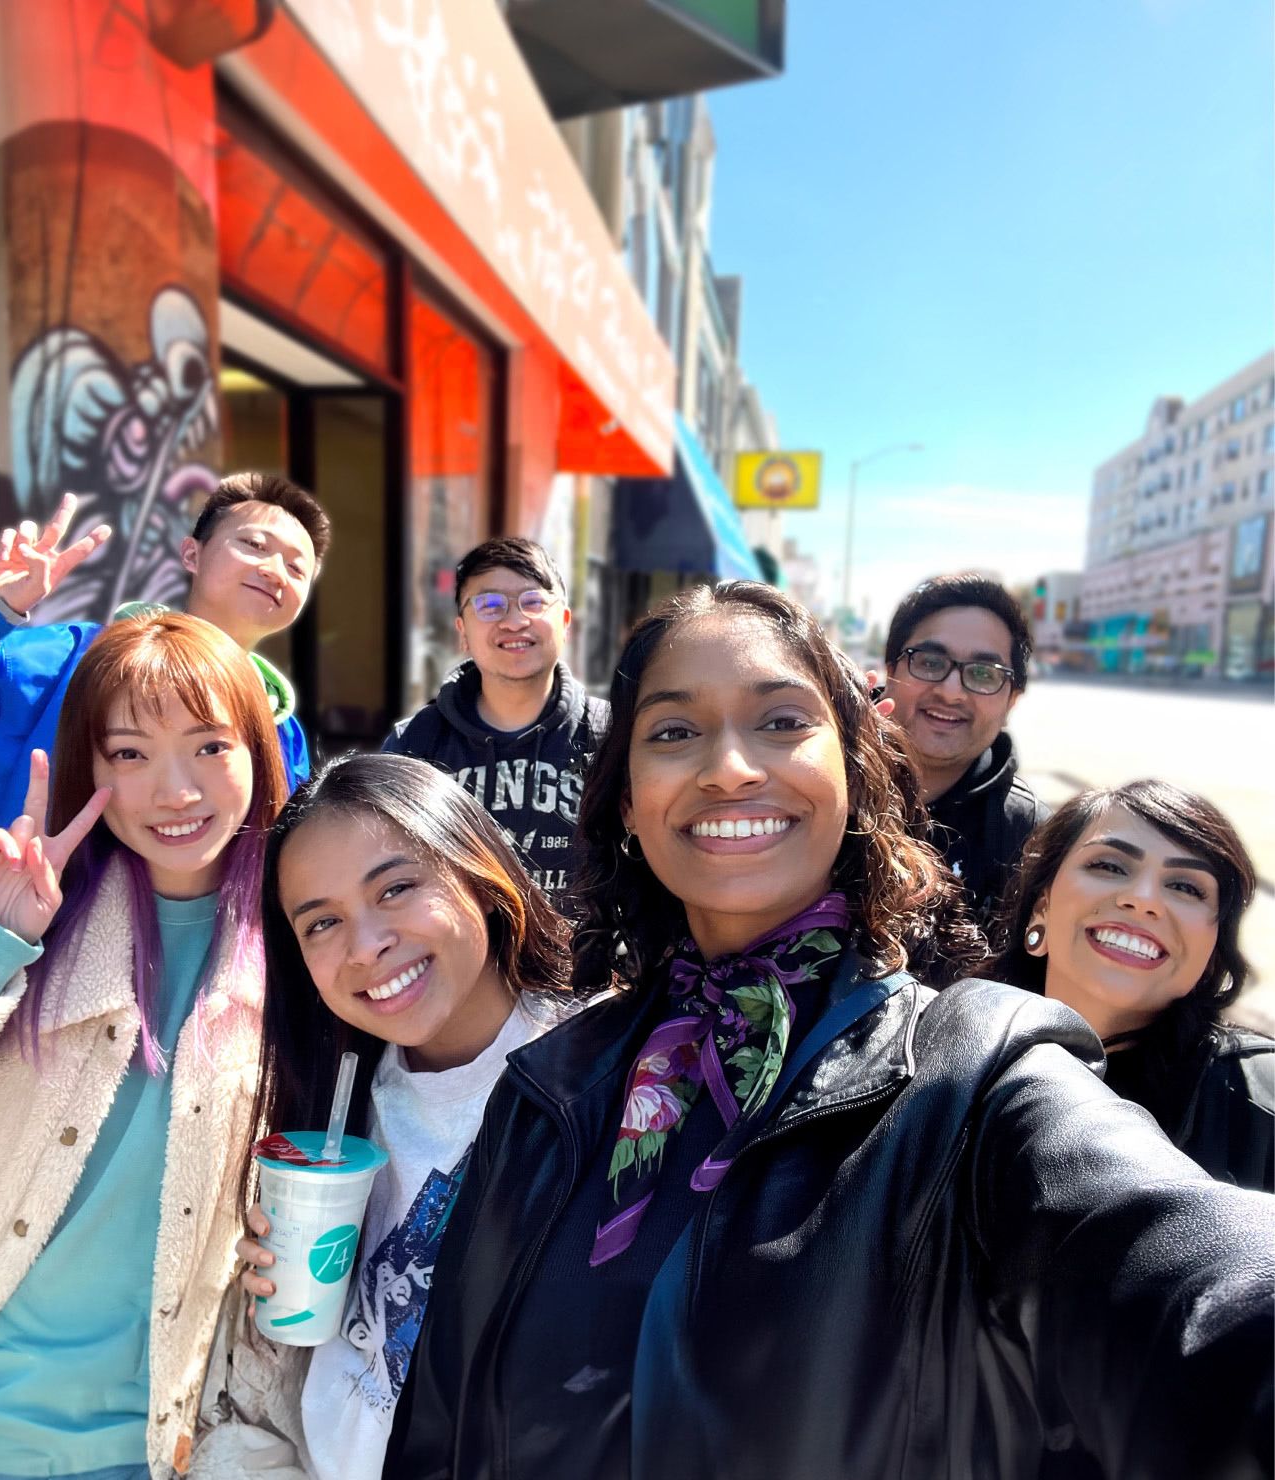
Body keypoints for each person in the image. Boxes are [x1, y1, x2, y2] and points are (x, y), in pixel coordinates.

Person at [386, 581, 1273, 1480]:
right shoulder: (551, 1085)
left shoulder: (977, 1078)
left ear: (855, 771)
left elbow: (1198, 1287)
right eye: (673, 731)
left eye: (781, 722)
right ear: (625, 801)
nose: (729, 766)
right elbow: (438, 1427)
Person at [0, 612, 289, 1479]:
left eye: (209, 746)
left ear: (258, 751)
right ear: (88, 766)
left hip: (150, 1449)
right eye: (130, 754)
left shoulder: (304, 937)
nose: (176, 790)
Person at [188, 753, 570, 1477]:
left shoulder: (603, 1088)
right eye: (322, 923)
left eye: (396, 888)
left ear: (477, 872)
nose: (366, 947)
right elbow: (279, 1393)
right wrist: (271, 1299)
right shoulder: (334, 1092)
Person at [0, 471, 330, 861]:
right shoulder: (60, 662)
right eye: (254, 544)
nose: (275, 571)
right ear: (192, 553)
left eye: (296, 569)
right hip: (15, 922)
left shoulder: (283, 735)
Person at [988, 779, 1273, 1191]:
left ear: (1213, 953)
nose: (1143, 900)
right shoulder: (944, 1059)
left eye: (1186, 887)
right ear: (1042, 906)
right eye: (1109, 866)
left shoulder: (1260, 1102)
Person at [382, 537, 608, 899]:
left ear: (565, 623)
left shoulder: (610, 735)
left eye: (533, 602)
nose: (515, 621)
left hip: (582, 955)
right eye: (489, 605)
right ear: (463, 633)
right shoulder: (413, 745)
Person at [884, 571, 1048, 928]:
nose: (951, 691)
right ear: (890, 670)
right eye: (929, 662)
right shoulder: (815, 779)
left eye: (984, 674)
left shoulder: (1029, 838)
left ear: (1011, 702)